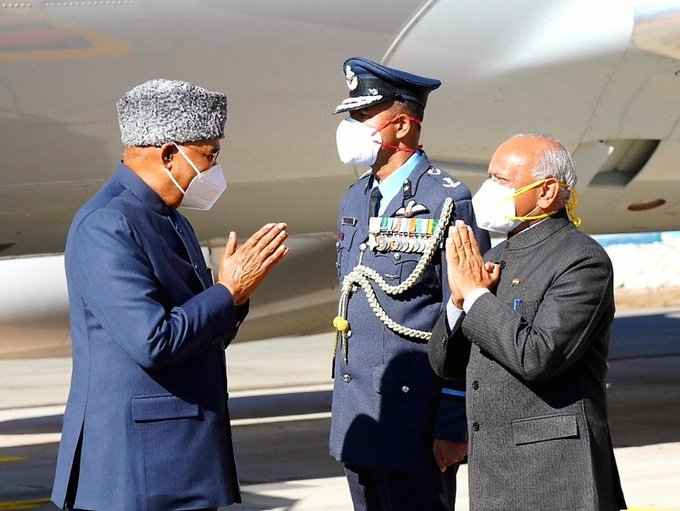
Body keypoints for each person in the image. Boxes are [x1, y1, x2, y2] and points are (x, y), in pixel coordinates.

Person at [51, 79, 289, 511]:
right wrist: (226, 290)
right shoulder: (107, 224)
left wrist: (232, 297)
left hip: (180, 459)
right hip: (140, 470)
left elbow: (200, 335)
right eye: (208, 156)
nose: (215, 170)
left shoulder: (168, 217)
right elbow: (153, 341)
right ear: (167, 154)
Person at [428, 132, 627, 510]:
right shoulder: (496, 255)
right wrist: (457, 302)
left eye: (501, 181)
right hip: (494, 476)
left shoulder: (581, 259)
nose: (487, 189)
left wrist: (475, 296)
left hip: (555, 477)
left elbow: (537, 356)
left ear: (547, 191)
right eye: (489, 177)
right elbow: (445, 364)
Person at [329, 56, 490, 511]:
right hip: (358, 416)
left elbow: (464, 315)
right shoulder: (356, 197)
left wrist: (453, 419)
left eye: (362, 116)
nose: (351, 127)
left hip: (413, 419)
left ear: (401, 126)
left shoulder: (447, 199)